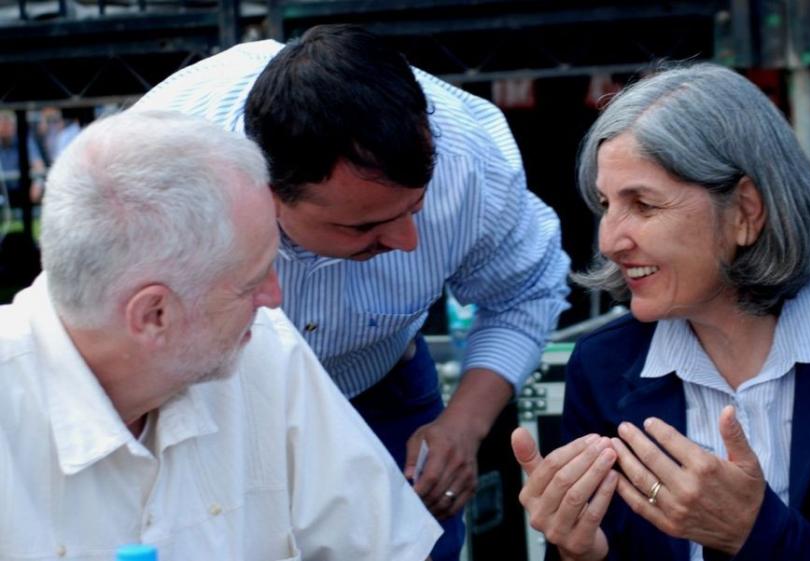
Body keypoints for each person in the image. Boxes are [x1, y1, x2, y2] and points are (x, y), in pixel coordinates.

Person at [135, 24, 570, 559]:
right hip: (206, 402)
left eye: (416, 209)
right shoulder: (154, 177)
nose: (408, 242)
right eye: (363, 227)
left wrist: (463, 425)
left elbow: (526, 290)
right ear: (266, 194)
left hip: (381, 390)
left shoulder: (473, 164)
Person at [0, 110, 442, 560]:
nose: (274, 297)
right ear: (154, 314)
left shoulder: (260, 345)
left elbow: (390, 547)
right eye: (252, 283)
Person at [511, 63, 810, 561]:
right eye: (606, 206)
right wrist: (584, 553)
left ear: (746, 211)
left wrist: (756, 532)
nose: (609, 241)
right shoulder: (601, 369)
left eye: (643, 205)